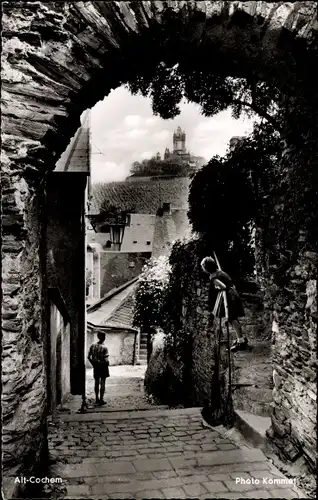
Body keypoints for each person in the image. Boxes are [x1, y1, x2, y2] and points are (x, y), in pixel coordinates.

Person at [201, 256, 248, 352]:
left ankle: (241, 342)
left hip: (230, 297)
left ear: (206, 268)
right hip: (233, 293)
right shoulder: (219, 272)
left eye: (203, 267)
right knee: (233, 318)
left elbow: (223, 286)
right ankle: (241, 338)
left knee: (231, 318)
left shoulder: (214, 277)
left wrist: (217, 287)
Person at [88, 331, 110, 405]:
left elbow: (89, 357)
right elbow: (106, 359)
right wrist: (107, 363)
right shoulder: (105, 347)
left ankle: (96, 398)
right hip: (103, 366)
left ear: (98, 337)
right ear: (104, 337)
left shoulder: (93, 346)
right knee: (103, 382)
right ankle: (101, 399)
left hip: (96, 366)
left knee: (96, 382)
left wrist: (93, 364)